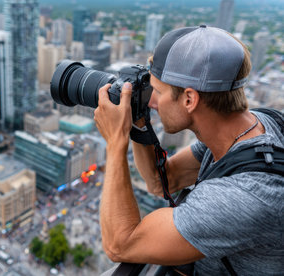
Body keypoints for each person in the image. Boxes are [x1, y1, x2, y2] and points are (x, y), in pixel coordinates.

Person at [94, 25, 283, 275]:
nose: (152, 101)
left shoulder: (243, 196)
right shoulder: (255, 125)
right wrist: (138, 123)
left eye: (158, 93)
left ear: (189, 99)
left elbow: (121, 245)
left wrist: (116, 142)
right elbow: (163, 180)